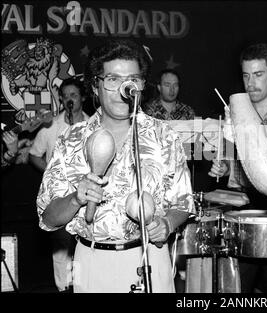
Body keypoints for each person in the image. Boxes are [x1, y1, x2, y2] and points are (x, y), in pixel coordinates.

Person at [36, 39, 195, 293]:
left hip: (150, 259)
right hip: (91, 262)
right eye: (112, 79)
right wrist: (76, 199)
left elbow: (184, 204)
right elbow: (48, 216)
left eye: (133, 79)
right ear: (95, 86)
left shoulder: (164, 136)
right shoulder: (72, 139)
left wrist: (167, 224)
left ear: (141, 85)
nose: (124, 88)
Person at [207, 43, 267, 293]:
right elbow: (228, 160)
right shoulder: (235, 114)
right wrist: (224, 168)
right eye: (246, 75)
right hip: (243, 217)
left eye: (259, 74)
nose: (251, 83)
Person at [29, 77, 90, 292]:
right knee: (61, 246)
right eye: (65, 97)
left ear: (83, 96)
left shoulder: (94, 124)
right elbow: (34, 155)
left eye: (74, 95)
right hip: (61, 198)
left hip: (86, 197)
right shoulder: (52, 125)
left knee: (84, 245)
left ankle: (81, 286)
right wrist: (52, 172)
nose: (69, 100)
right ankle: (63, 288)